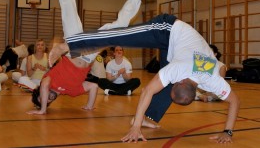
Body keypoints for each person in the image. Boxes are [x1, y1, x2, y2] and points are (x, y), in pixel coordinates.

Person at [49, 14, 240, 144]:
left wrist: (227, 131)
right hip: (167, 28)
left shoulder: (212, 80)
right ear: (182, 82)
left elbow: (226, 80)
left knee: (163, 87)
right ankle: (67, 45)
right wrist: (135, 128)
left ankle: (148, 118)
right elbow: (147, 91)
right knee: (122, 37)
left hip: (178, 48)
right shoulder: (177, 70)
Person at [27, 0, 154, 115]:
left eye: (43, 98)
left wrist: (42, 109)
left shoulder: (47, 81)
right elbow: (93, 86)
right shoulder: (71, 92)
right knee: (117, 28)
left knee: (68, 5)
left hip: (74, 48)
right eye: (47, 102)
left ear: (40, 94)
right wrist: (89, 105)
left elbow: (44, 87)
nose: (48, 98)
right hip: (89, 54)